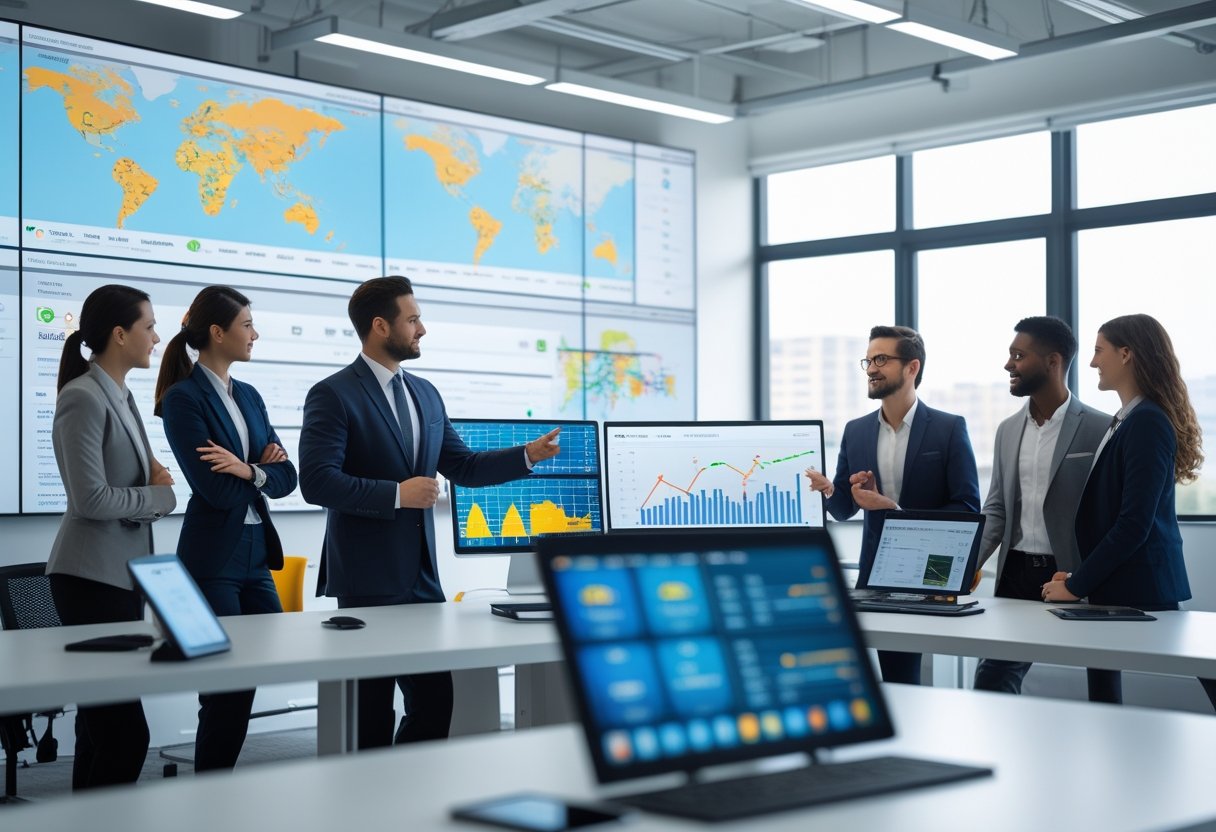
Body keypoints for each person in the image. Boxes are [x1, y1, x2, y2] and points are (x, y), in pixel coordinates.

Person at [298, 276, 560, 749]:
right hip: (368, 581)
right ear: (380, 326)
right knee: (371, 715)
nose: (422, 329)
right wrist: (397, 495)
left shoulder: (425, 393)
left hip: (422, 580)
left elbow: (463, 466)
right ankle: (375, 792)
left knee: (435, 705)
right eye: (413, 319)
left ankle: (408, 783)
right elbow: (316, 482)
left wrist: (527, 456)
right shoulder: (333, 394)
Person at [154, 286, 298, 771]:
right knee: (225, 689)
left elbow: (288, 477)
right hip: (214, 557)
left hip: (257, 552)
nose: (255, 334)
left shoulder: (250, 396)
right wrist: (258, 471)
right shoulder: (183, 399)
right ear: (218, 332)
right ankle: (211, 791)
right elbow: (214, 490)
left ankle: (217, 785)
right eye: (247, 325)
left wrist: (247, 470)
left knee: (255, 671)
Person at [1042, 314, 1215, 709]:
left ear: (1126, 354)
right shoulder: (1128, 419)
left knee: (1200, 670)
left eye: (1098, 351)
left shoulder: (1147, 421)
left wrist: (1077, 585)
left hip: (1143, 586)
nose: (1092, 362)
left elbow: (1134, 523)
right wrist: (1079, 578)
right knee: (1103, 687)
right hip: (1118, 583)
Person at [45, 284, 177, 790]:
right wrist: (157, 498)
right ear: (120, 335)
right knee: (125, 736)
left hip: (120, 577)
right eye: (149, 327)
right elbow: (91, 500)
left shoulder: (120, 395)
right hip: (88, 578)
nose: (156, 338)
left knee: (99, 732)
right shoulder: (81, 397)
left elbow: (142, 483)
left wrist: (153, 492)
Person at [806, 325, 980, 685]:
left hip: (932, 573)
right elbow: (844, 509)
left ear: (912, 367)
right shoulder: (855, 431)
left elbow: (966, 509)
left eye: (881, 359)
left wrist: (893, 509)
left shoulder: (948, 428)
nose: (871, 368)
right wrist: (830, 491)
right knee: (888, 673)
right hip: (876, 573)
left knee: (912, 674)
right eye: (868, 360)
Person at [971, 316, 1110, 694]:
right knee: (992, 680)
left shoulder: (1101, 427)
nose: (1008, 365)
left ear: (1053, 361)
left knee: (1103, 681)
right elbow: (996, 509)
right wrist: (964, 567)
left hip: (1076, 574)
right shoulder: (1007, 430)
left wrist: (1088, 577)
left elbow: (1109, 515)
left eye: (1019, 356)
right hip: (1016, 574)